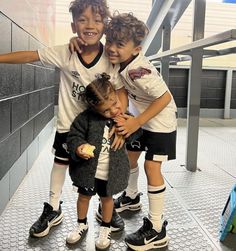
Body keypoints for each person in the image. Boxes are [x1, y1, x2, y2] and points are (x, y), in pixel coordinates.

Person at [0, 0, 127, 237]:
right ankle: (53, 208)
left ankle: (105, 205)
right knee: (60, 162)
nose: (90, 25)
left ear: (105, 26)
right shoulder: (65, 52)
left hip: (101, 129)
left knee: (105, 165)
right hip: (69, 126)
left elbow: (121, 91)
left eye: (97, 20)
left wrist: (120, 123)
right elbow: (31, 54)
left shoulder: (111, 58)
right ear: (73, 26)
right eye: (82, 20)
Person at [104, 13, 177, 250]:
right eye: (110, 41)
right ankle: (132, 197)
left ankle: (157, 228)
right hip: (140, 118)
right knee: (130, 156)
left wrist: (136, 123)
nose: (112, 48)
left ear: (136, 49)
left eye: (119, 44)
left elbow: (164, 98)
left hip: (160, 122)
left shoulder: (139, 70)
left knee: (151, 166)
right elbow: (123, 91)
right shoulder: (120, 63)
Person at [66, 73, 142, 249]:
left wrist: (129, 127)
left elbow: (137, 136)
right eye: (106, 110)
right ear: (95, 109)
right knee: (83, 197)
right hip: (88, 171)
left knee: (107, 200)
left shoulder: (124, 117)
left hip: (110, 173)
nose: (114, 111)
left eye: (115, 104)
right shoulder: (86, 118)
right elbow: (73, 136)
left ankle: (105, 227)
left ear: (116, 96)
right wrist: (79, 148)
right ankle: (81, 224)